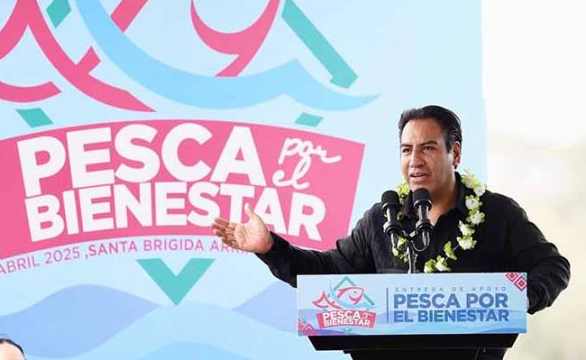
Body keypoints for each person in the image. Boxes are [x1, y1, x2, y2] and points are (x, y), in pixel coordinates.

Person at [211, 105, 570, 360]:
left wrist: (517, 299)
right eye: (406, 150)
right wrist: (270, 247)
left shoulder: (498, 214)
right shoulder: (383, 218)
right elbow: (330, 272)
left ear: (455, 153)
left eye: (428, 148)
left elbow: (553, 266)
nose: (415, 160)